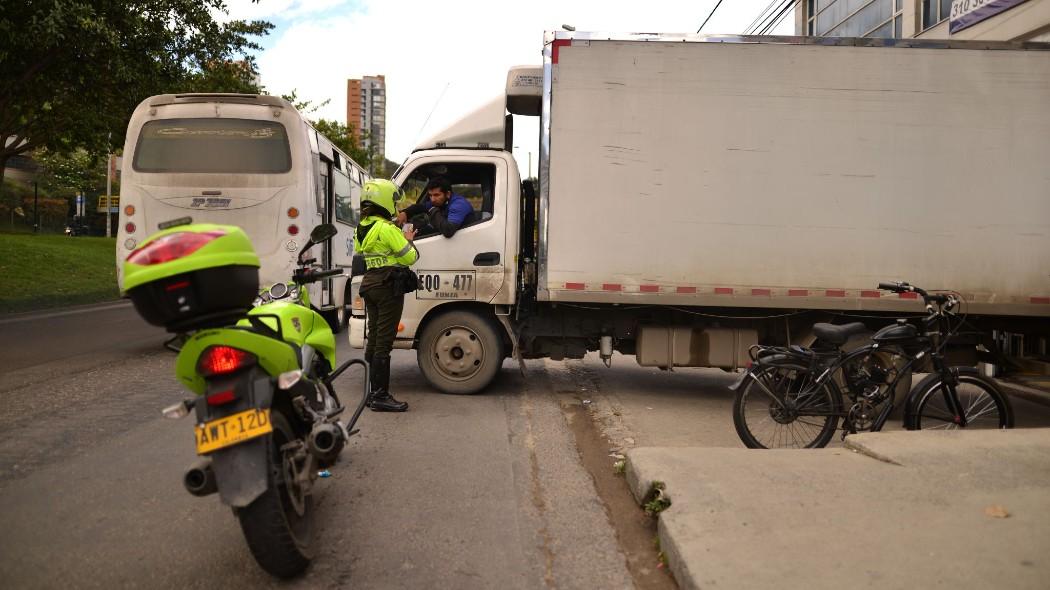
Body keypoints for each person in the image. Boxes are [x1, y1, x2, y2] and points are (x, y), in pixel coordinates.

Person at [355, 179, 419, 412]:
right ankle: (380, 395)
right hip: (387, 286)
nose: (396, 206)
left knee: (373, 338)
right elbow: (409, 258)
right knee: (384, 341)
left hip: (370, 284)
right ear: (384, 201)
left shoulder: (361, 228)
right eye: (393, 201)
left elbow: (363, 253)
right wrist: (408, 241)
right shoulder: (387, 229)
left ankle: (370, 392)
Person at [397, 177, 477, 238]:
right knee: (411, 228)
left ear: (448, 194)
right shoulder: (440, 201)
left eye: (436, 195)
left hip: (463, 239)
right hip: (441, 233)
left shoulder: (459, 204)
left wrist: (433, 210)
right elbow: (421, 207)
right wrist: (405, 213)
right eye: (430, 195)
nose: (432, 199)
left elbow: (448, 230)